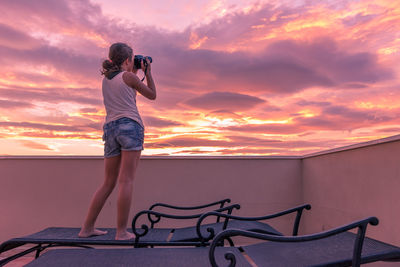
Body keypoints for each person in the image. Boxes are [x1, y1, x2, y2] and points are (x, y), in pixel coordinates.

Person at [79, 42, 156, 240]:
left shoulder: (106, 80)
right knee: (126, 180)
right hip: (130, 126)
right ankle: (121, 232)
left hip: (110, 129)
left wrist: (135, 68)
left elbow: (124, 87)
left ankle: (86, 228)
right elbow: (152, 95)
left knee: (108, 183)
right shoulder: (129, 77)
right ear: (128, 60)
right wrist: (148, 72)